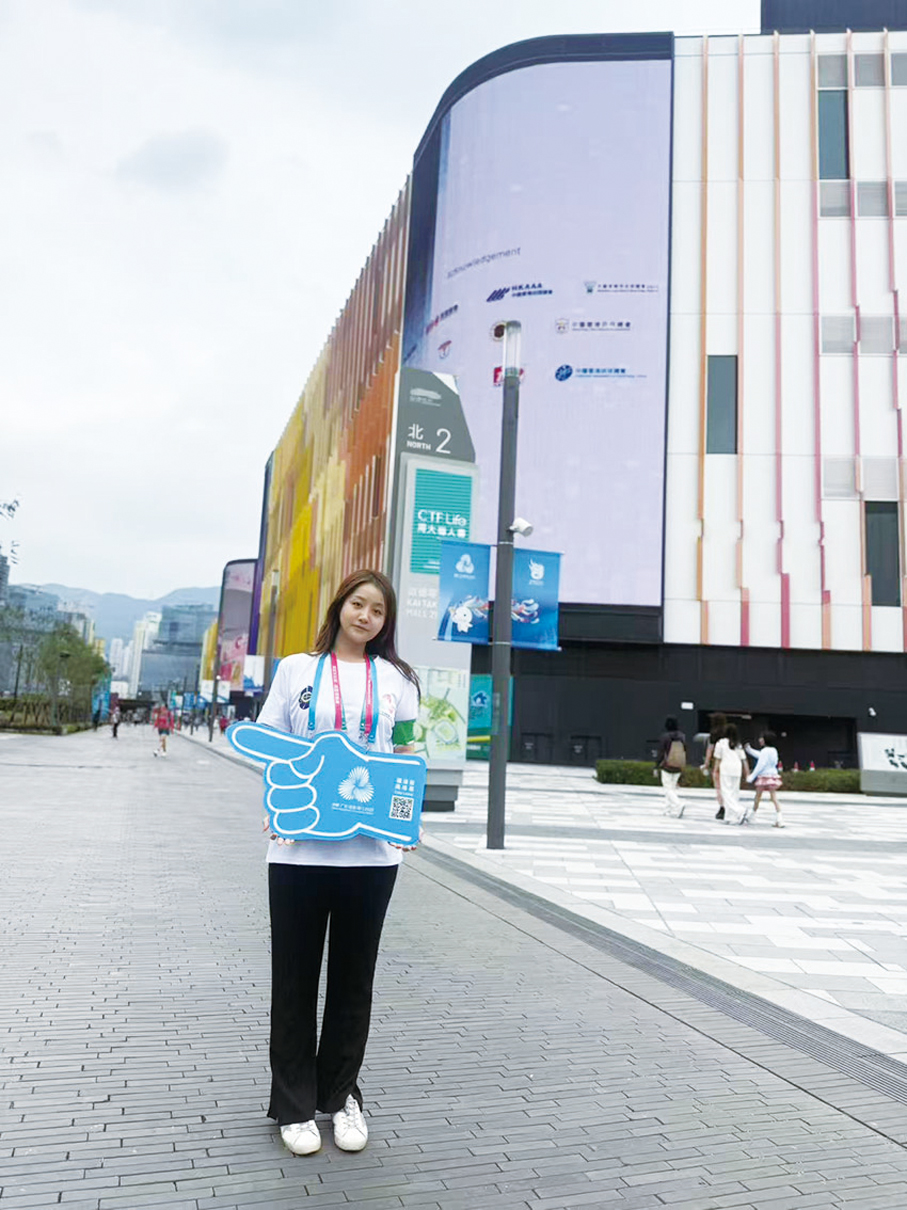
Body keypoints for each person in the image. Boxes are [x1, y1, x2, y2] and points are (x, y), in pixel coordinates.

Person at [256, 569, 420, 1157]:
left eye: (378, 610)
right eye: (358, 604)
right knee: (294, 979)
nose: (365, 617)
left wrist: (406, 820)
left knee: (354, 982)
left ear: (385, 622)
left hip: (371, 857)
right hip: (298, 850)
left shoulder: (398, 680)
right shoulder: (296, 670)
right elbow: (271, 742)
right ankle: (294, 1105)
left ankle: (342, 1095)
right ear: (340, 606)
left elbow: (406, 754)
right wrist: (276, 803)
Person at [745, 731, 784, 827]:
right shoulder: (773, 750)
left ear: (765, 740)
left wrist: (751, 776)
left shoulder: (765, 751)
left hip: (763, 777)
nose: (760, 740)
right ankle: (779, 818)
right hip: (772, 776)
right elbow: (761, 756)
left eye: (761, 738)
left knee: (757, 797)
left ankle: (752, 815)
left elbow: (760, 764)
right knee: (773, 797)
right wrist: (750, 750)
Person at [712, 722, 749, 824]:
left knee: (726, 793)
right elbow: (744, 760)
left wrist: (715, 770)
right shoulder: (738, 744)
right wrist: (747, 773)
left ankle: (739, 810)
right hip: (737, 769)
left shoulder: (721, 743)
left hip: (726, 769)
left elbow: (718, 759)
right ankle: (730, 817)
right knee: (734, 793)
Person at [655, 715, 687, 818]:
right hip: (678, 765)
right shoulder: (682, 736)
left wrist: (656, 766)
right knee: (672, 788)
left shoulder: (665, 737)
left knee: (667, 789)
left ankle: (678, 804)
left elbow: (661, 753)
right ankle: (667, 809)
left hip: (667, 766)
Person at [701, 712, 727, 819]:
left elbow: (710, 749)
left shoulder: (714, 733)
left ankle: (722, 807)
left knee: (718, 786)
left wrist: (706, 763)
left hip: (717, 761)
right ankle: (729, 805)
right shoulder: (728, 732)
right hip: (729, 760)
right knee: (727, 785)